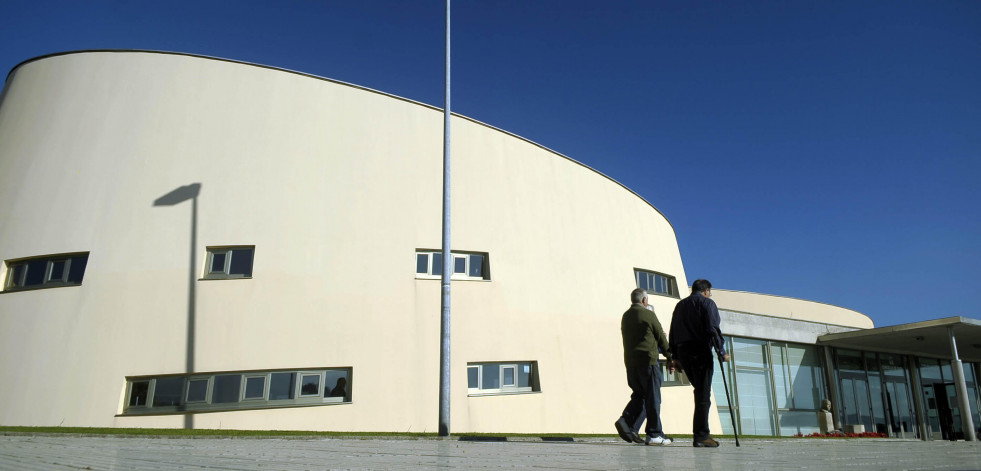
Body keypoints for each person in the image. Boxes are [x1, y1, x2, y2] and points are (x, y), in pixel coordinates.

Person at [669, 279, 730, 448]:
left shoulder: (680, 305)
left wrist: (675, 356)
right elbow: (713, 328)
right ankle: (701, 435)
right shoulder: (708, 303)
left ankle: (701, 434)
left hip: (683, 351)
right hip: (700, 350)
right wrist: (722, 352)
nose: (710, 294)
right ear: (706, 291)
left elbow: (673, 331)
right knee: (703, 394)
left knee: (700, 392)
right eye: (709, 292)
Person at [615, 288, 675, 446]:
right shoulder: (648, 314)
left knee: (639, 395)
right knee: (653, 398)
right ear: (644, 300)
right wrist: (670, 356)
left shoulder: (625, 316)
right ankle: (654, 433)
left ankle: (625, 420)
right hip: (648, 361)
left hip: (631, 363)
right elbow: (661, 336)